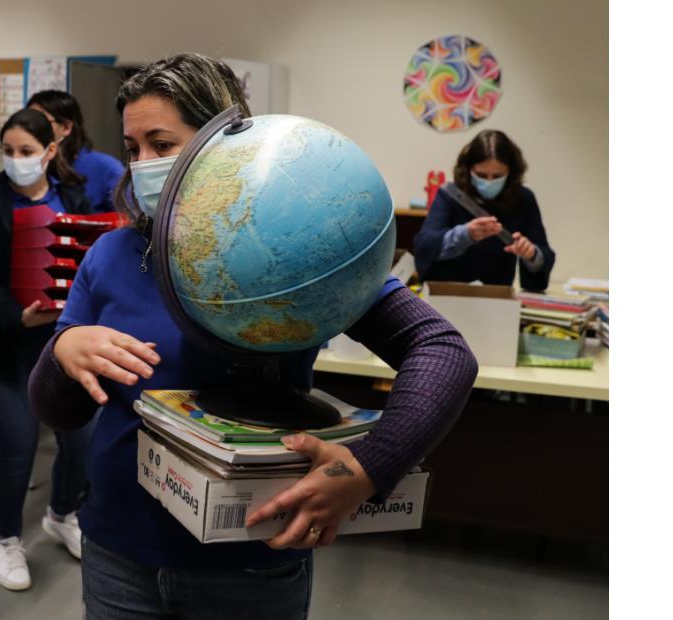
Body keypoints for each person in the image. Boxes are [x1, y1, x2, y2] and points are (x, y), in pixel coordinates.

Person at [27, 53, 478, 619]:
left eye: (163, 145)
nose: (142, 165)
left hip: (251, 560)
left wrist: (367, 470)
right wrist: (61, 353)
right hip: (120, 554)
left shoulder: (285, 250)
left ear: (221, 143)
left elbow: (441, 351)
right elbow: (57, 412)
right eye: (132, 147)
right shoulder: (111, 255)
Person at [0, 108, 95, 592]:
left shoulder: (74, 196)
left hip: (59, 342)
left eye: (27, 152)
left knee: (80, 438)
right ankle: (7, 539)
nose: (17, 161)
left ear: (50, 151)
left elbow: (89, 261)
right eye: (9, 152)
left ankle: (61, 515)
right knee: (17, 444)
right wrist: (16, 315)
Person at [413, 129, 556, 292]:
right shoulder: (450, 195)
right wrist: (466, 235)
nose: (489, 182)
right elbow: (425, 247)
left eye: (497, 176)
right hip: (449, 295)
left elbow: (544, 255)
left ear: (511, 172)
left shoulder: (524, 199)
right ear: (468, 169)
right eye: (481, 175)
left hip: (498, 298)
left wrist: (531, 255)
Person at [28, 90, 124, 213]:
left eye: (40, 121)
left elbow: (128, 223)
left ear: (66, 127)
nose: (31, 128)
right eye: (28, 120)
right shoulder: (28, 168)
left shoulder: (107, 168)